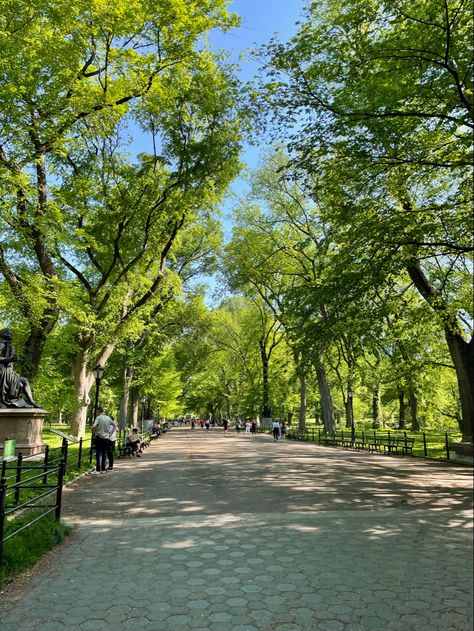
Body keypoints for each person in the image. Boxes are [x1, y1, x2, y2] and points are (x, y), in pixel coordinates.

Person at [0, 329, 37, 408]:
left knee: (24, 381)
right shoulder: (1, 344)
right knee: (21, 383)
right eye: (9, 333)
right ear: (3, 334)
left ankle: (32, 402)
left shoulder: (10, 346)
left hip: (10, 371)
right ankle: (7, 400)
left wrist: (13, 358)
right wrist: (9, 359)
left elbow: (12, 358)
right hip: (3, 371)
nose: (11, 335)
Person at [92, 407, 113, 473]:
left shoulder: (98, 418)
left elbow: (94, 426)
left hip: (99, 437)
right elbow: (114, 425)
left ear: (99, 411)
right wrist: (110, 434)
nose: (96, 413)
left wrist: (94, 434)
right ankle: (103, 469)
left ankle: (98, 469)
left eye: (96, 411)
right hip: (106, 438)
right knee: (104, 453)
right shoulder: (108, 418)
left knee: (98, 453)